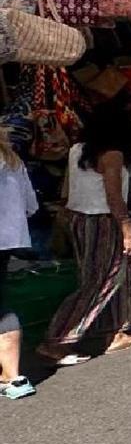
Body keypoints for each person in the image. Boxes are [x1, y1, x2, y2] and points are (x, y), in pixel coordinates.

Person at [38, 103, 131, 366]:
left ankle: (113, 333)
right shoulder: (112, 154)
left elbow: (68, 189)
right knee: (101, 280)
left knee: (105, 278)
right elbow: (114, 197)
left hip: (79, 218)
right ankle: (58, 340)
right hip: (103, 220)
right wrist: (128, 230)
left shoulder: (77, 149)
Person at [0, 128, 38, 399]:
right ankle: (13, 375)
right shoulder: (12, 159)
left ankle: (11, 378)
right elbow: (30, 206)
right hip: (8, 240)